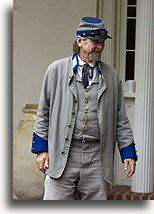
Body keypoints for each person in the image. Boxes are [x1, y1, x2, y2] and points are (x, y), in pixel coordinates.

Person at [31, 16, 137, 200]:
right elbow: (43, 112)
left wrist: (128, 152)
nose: (100, 47)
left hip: (97, 157)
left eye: (102, 42)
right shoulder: (56, 70)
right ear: (79, 40)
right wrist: (41, 149)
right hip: (62, 153)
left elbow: (121, 118)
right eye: (95, 42)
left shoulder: (111, 75)